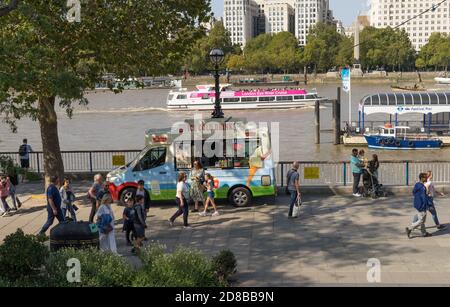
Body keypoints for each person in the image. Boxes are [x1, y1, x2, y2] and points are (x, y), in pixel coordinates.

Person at [406, 173, 433, 239]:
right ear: (422, 178)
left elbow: (414, 192)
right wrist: (428, 205)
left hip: (417, 204)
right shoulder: (422, 187)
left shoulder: (417, 184)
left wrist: (418, 199)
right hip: (422, 206)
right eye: (426, 177)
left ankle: (424, 233)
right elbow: (424, 198)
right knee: (421, 221)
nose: (427, 178)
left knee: (421, 219)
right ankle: (409, 229)